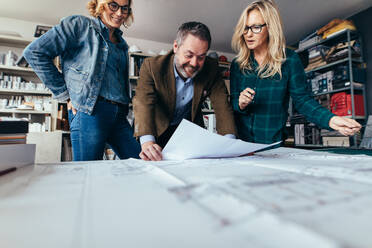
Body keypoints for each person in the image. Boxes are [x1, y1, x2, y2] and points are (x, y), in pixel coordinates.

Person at [23, 0, 141, 160]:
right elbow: (34, 52)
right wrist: (65, 95)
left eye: (124, 8)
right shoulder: (79, 25)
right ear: (100, 4)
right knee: (88, 171)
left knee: (140, 162)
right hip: (91, 112)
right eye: (113, 5)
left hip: (119, 115)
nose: (120, 13)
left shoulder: (122, 44)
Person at [230, 0, 361, 144]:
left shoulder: (290, 60)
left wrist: (331, 120)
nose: (248, 34)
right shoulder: (237, 64)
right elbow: (233, 105)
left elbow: (302, 101)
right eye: (245, 28)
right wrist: (241, 104)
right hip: (242, 145)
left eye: (255, 27)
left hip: (272, 145)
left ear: (270, 27)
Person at [133, 22, 237, 161]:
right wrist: (147, 142)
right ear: (176, 47)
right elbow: (143, 102)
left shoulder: (211, 68)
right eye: (189, 55)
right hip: (156, 129)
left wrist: (229, 142)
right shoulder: (152, 67)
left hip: (188, 134)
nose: (194, 63)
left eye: (201, 57)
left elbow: (223, 104)